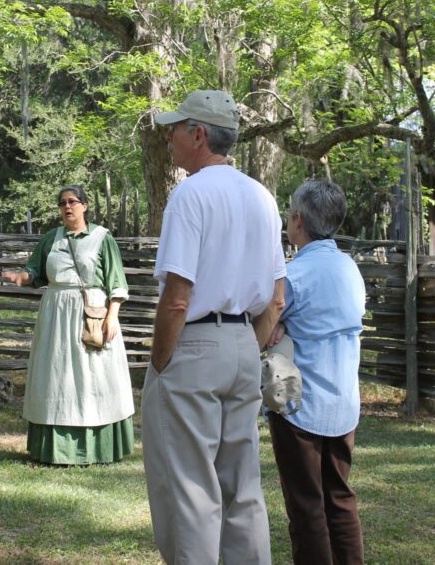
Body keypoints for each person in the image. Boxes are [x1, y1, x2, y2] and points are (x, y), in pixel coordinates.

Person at [144, 90, 286, 564]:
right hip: (245, 343)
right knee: (241, 485)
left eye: (176, 127)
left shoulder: (190, 194)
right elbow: (277, 294)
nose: (169, 137)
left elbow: (177, 297)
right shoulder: (262, 196)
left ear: (198, 135)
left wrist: (161, 361)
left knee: (190, 489)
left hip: (195, 347)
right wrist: (252, 345)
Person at [267, 179, 366, 564]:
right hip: (343, 400)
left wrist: (280, 325)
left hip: (300, 404)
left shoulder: (295, 276)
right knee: (339, 498)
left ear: (298, 221)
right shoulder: (348, 267)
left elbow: (266, 324)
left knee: (307, 505)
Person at [1, 185, 135, 465]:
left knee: (92, 376)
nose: (67, 207)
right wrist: (20, 276)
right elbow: (35, 271)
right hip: (56, 316)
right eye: (62, 203)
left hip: (91, 314)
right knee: (57, 377)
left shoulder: (101, 238)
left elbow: (117, 282)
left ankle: (98, 446)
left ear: (85, 206)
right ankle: (54, 447)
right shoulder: (52, 238)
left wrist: (112, 316)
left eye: (73, 202)